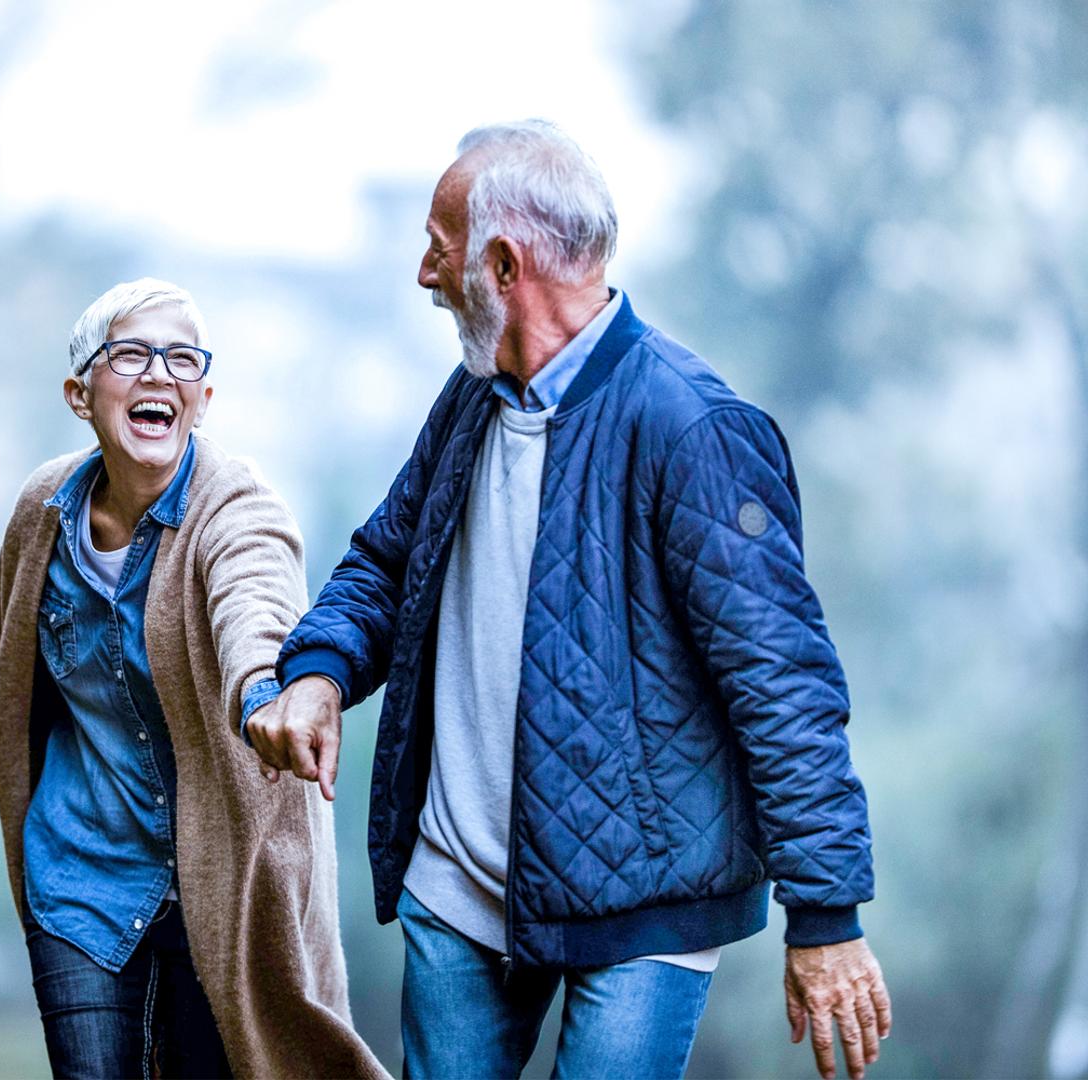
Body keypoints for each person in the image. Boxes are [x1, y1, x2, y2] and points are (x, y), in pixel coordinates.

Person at [245, 121, 892, 1080]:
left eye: (439, 247)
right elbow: (387, 561)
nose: (425, 275)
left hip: (646, 911)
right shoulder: (471, 398)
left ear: (504, 266)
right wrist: (318, 672)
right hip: (458, 894)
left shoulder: (693, 426)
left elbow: (782, 685)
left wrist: (827, 917)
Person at [0, 279, 388, 1079]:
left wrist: (264, 694)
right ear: (79, 394)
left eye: (181, 360)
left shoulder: (236, 505)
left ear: (203, 399)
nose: (158, 374)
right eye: (131, 354)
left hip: (221, 884)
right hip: (80, 872)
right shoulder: (42, 514)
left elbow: (255, 606)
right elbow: (16, 682)